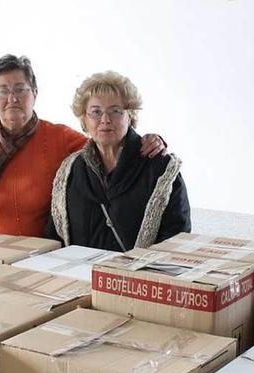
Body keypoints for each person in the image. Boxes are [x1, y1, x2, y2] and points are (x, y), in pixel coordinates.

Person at [0, 55, 165, 238]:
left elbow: (106, 143)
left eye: (20, 89)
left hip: (48, 262)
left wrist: (148, 141)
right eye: (3, 91)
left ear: (35, 93)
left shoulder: (60, 138)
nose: (12, 98)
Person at [46, 71, 190, 251]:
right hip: (80, 277)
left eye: (115, 111)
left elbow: (177, 238)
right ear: (84, 119)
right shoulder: (69, 171)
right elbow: (55, 237)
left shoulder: (160, 169)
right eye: (96, 112)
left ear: (130, 115)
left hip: (138, 277)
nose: (105, 120)